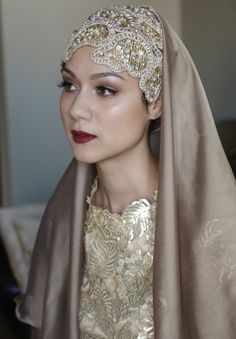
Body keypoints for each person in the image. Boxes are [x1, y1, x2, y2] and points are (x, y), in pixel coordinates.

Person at [16, 5, 236, 339]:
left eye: (105, 89)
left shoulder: (210, 228)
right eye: (69, 85)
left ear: (157, 102)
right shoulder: (63, 220)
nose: (77, 109)